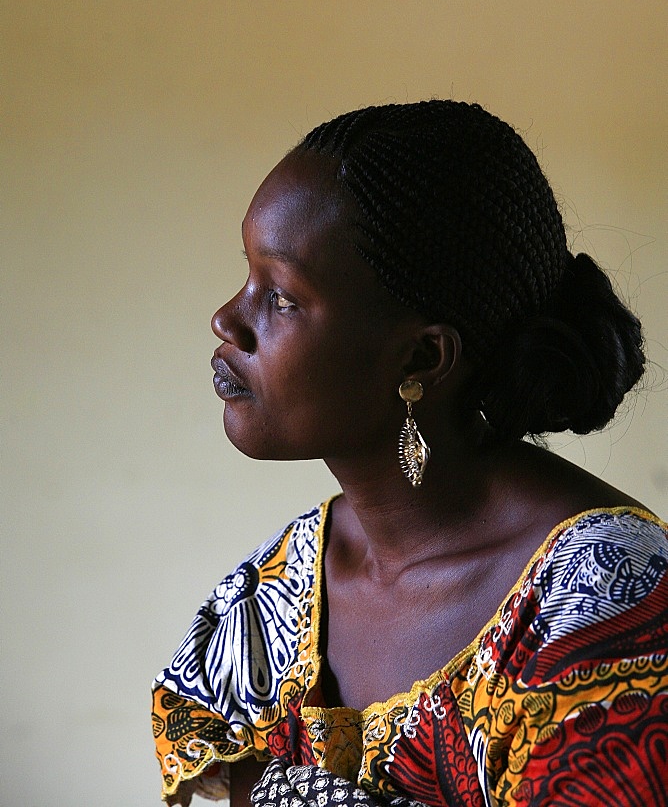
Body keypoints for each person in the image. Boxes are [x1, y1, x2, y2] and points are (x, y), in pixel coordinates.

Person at [151, 101, 668, 807]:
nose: (227, 319)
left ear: (422, 356)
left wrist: (269, 792)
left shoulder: (609, 601)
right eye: (246, 276)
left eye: (282, 297)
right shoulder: (279, 596)